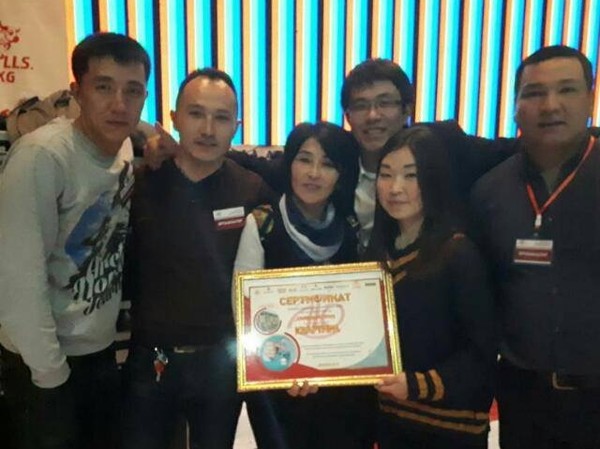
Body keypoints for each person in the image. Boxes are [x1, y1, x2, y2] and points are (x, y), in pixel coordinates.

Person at [0, 32, 150, 449]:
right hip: (42, 363)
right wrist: (50, 377)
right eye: (103, 87)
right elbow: (17, 282)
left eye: (132, 91)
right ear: (76, 91)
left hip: (97, 351)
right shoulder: (41, 159)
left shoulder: (123, 145)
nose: (119, 103)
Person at [121, 68, 274, 449]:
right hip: (151, 358)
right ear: (174, 119)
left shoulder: (252, 189)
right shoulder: (142, 183)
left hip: (222, 364)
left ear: (236, 126)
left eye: (221, 118)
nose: (208, 129)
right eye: (196, 114)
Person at [471, 45, 600, 449]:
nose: (550, 105)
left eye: (567, 89)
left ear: (590, 99)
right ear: (515, 108)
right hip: (523, 395)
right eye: (534, 93)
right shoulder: (489, 192)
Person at [234, 122, 376, 449]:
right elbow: (243, 314)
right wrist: (283, 370)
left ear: (342, 174)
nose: (313, 173)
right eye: (304, 159)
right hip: (281, 383)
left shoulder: (350, 226)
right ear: (289, 164)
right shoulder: (263, 223)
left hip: (343, 387)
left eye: (327, 164)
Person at [368, 126, 496, 449]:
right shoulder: (378, 251)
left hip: (449, 429)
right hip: (391, 422)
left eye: (411, 176)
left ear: (434, 179)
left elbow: (481, 351)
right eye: (386, 174)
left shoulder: (458, 253)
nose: (395, 188)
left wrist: (417, 385)